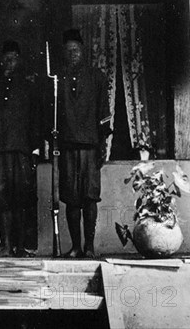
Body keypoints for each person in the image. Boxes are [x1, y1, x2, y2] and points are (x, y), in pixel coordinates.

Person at [0, 40, 43, 257]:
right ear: (1, 61)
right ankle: (7, 245)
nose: (10, 62)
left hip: (22, 150)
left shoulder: (28, 85)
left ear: (19, 60)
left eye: (14, 58)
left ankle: (20, 246)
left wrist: (35, 150)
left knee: (22, 198)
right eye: (6, 58)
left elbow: (35, 118)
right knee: (2, 198)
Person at [58, 29, 112, 259]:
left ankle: (89, 246)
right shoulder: (58, 79)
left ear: (83, 51)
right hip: (68, 146)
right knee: (71, 199)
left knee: (89, 198)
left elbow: (104, 112)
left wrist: (103, 142)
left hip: (90, 145)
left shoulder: (96, 77)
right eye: (69, 50)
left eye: (76, 50)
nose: (73, 54)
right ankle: (75, 247)